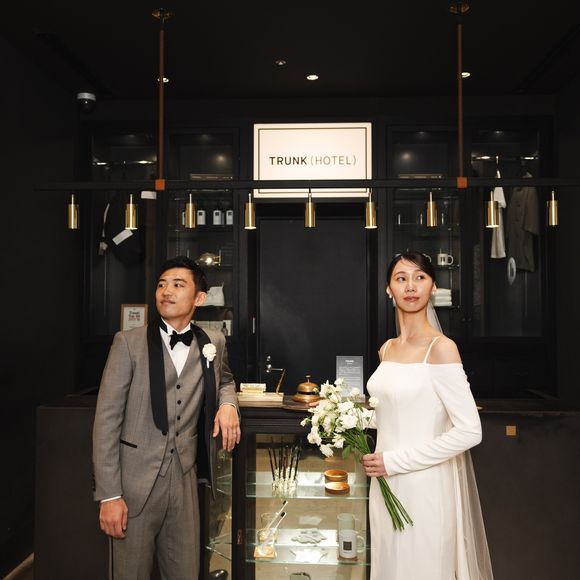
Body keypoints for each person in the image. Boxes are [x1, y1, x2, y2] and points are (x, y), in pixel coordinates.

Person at [92, 256, 241, 580]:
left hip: (185, 478)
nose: (166, 292)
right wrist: (110, 495)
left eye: (177, 284)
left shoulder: (213, 342)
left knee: (185, 571)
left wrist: (228, 405)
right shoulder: (128, 343)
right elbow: (106, 420)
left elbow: (226, 380)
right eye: (161, 285)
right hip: (133, 484)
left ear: (199, 298)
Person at [362, 251, 493, 580]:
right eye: (401, 278)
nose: (410, 286)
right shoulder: (387, 349)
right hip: (384, 486)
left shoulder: (442, 348)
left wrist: (395, 461)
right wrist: (343, 416)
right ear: (388, 289)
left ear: (433, 287)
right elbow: (394, 412)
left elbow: (469, 431)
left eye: (419, 277)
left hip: (425, 486)